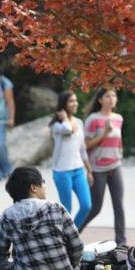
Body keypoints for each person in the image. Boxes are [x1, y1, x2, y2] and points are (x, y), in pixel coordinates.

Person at [0, 167, 83, 270]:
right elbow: (77, 246)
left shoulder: (7, 216)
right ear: (34, 187)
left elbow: (0, 255)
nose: (45, 186)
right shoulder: (56, 208)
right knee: (77, 268)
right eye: (43, 182)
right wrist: (68, 264)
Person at [79, 87, 126, 245]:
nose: (111, 98)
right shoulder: (93, 119)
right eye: (108, 96)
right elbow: (86, 145)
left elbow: (119, 140)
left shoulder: (118, 118)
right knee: (95, 207)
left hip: (115, 166)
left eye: (114, 95)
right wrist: (104, 133)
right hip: (98, 168)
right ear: (100, 100)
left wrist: (119, 153)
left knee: (118, 205)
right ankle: (73, 233)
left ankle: (121, 242)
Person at [49, 91, 93, 229]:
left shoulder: (79, 122)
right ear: (63, 105)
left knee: (87, 205)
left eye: (76, 100)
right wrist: (65, 118)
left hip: (78, 170)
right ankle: (66, 237)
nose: (75, 104)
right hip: (62, 172)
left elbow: (82, 149)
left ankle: (72, 233)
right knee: (66, 209)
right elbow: (68, 130)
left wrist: (89, 171)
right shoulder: (56, 126)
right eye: (71, 101)